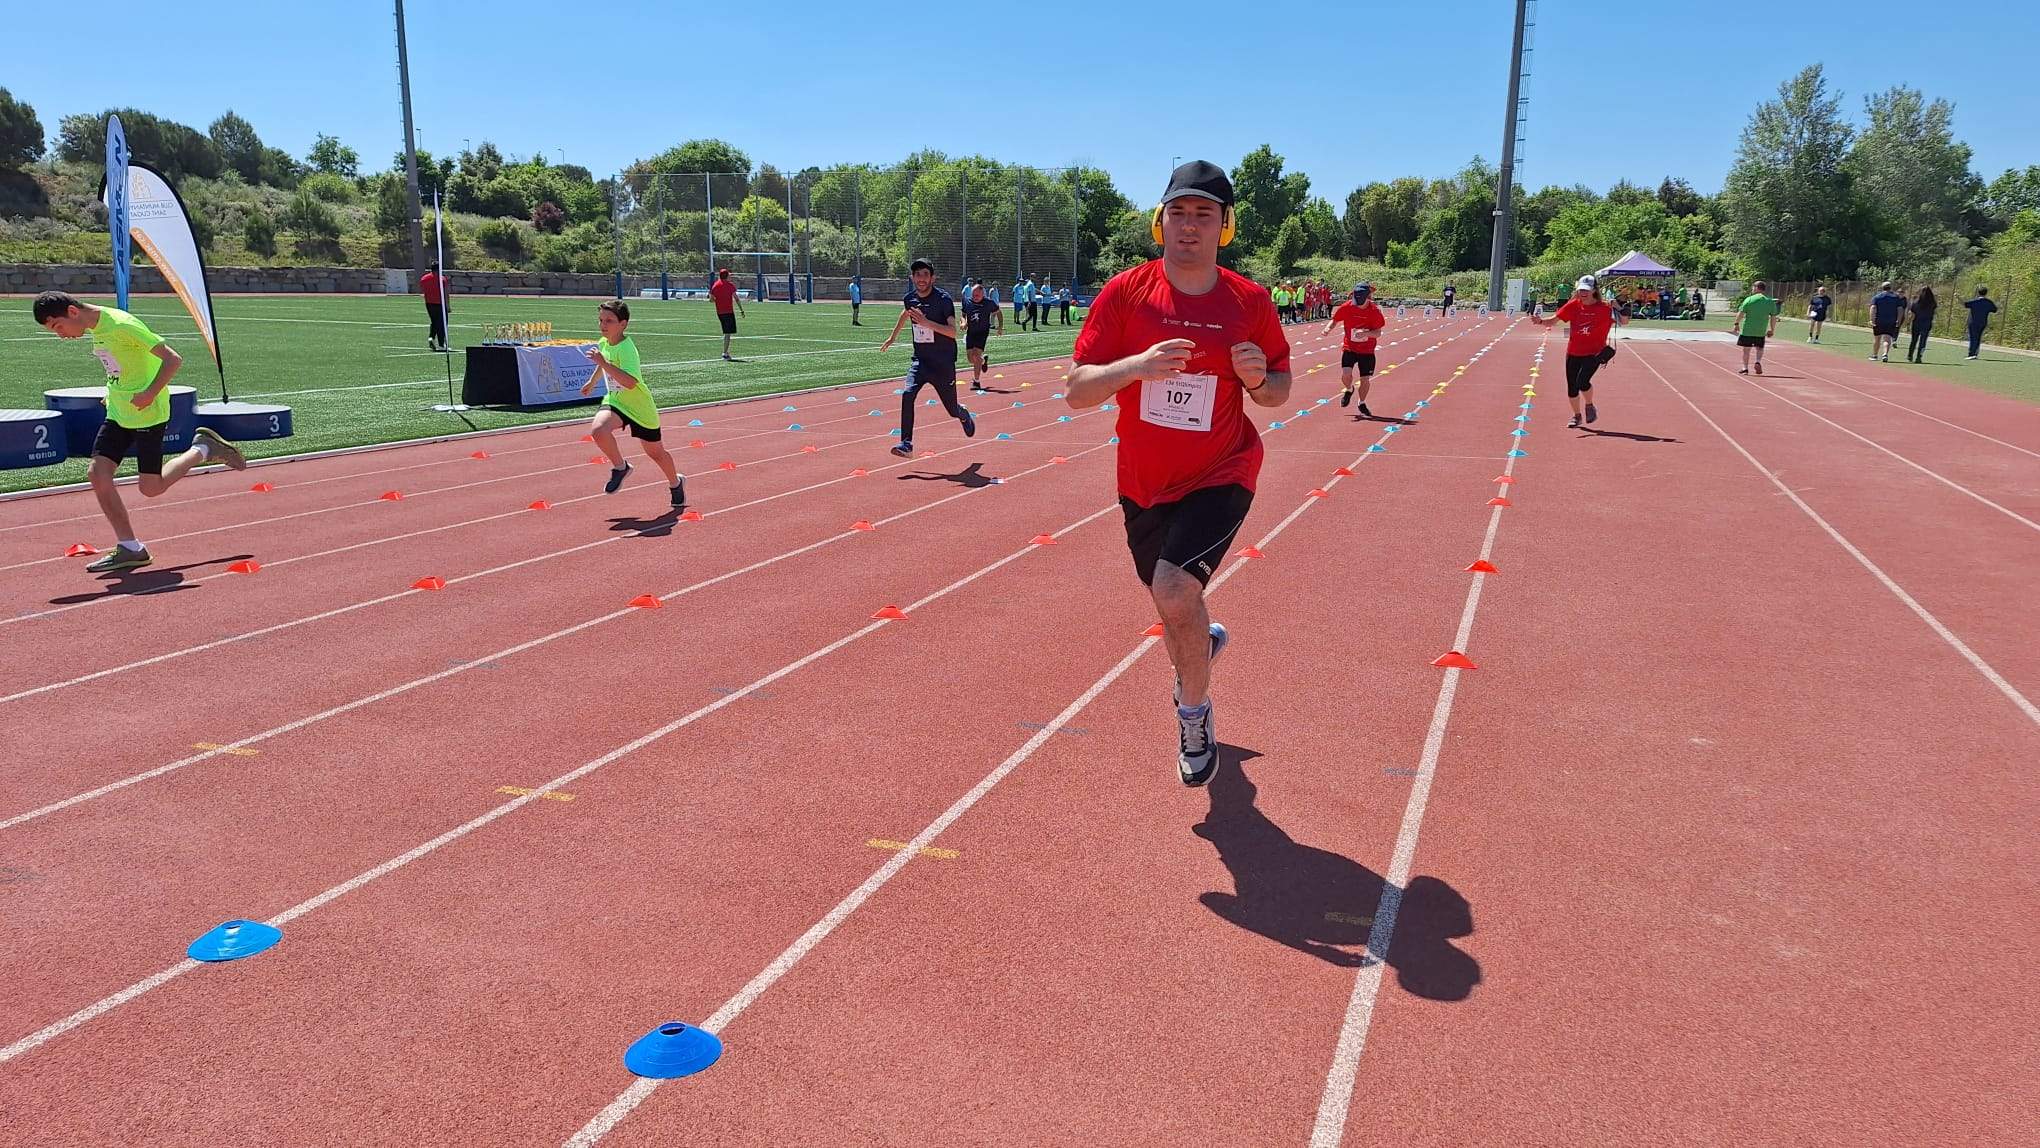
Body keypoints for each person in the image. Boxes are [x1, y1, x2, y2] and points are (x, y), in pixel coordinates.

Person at [1064, 160, 1291, 787]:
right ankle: (1201, 644)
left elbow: (1278, 390)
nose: (1190, 226)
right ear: (1159, 222)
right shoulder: (1127, 294)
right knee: (1173, 602)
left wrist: (1254, 379)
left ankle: (1194, 711)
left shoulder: (1250, 302)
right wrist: (1136, 366)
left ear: (1225, 228)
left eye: (1205, 215)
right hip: (1143, 481)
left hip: (1223, 470)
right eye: (1179, 213)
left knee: (1172, 589)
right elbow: (1077, 392)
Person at [32, 290, 247, 573]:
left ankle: (204, 448)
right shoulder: (96, 327)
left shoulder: (121, 324)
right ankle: (130, 548)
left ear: (72, 312)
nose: (60, 335)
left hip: (148, 413)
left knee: (151, 488)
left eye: (58, 327)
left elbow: (173, 359)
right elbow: (120, 365)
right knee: (97, 473)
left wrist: (148, 394)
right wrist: (114, 392)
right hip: (119, 412)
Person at [579, 300, 685, 509]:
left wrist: (602, 363)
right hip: (616, 402)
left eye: (609, 321)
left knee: (656, 453)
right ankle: (621, 467)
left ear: (623, 324)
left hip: (639, 407)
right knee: (599, 430)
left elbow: (629, 382)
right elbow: (605, 366)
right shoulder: (603, 343)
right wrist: (592, 382)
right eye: (601, 320)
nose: (603, 325)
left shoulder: (627, 349)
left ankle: (676, 483)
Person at [880, 258, 976, 457]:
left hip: (942, 363)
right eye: (917, 275)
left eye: (925, 274)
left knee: (951, 409)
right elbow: (906, 313)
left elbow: (952, 332)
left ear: (933, 278)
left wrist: (926, 322)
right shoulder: (910, 299)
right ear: (912, 278)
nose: (921, 279)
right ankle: (906, 443)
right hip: (920, 361)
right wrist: (893, 336)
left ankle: (962, 413)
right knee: (907, 394)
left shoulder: (943, 300)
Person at [1530, 274, 1621, 428]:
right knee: (1572, 387)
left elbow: (1624, 321)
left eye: (1586, 290)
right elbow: (1553, 320)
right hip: (1573, 352)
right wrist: (1540, 321)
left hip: (1594, 352)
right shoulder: (1573, 305)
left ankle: (1589, 405)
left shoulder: (1605, 308)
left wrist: (1619, 306)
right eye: (1580, 290)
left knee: (1582, 382)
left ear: (1593, 290)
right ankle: (1577, 416)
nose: (1583, 293)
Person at [1322, 281, 1386, 415]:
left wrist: (1366, 334)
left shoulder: (1374, 311)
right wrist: (1328, 329)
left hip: (1367, 350)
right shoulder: (1347, 307)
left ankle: (1361, 402)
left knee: (1365, 379)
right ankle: (1349, 389)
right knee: (1346, 374)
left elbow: (1378, 332)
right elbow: (1335, 320)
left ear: (1367, 298)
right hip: (1349, 347)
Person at [1730, 280, 1780, 376]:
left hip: (1747, 330)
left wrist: (1736, 323)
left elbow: (1741, 313)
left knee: (1746, 350)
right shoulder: (1769, 301)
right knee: (1759, 348)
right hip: (1761, 330)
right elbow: (1773, 317)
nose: (1752, 289)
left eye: (1753, 287)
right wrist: (1772, 329)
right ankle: (1758, 361)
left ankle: (1745, 368)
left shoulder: (1749, 299)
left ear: (1757, 288)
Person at [961, 281, 1004, 391]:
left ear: (982, 294)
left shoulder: (989, 303)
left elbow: (999, 313)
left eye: (978, 295)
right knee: (971, 359)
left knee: (976, 355)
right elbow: (963, 315)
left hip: (982, 333)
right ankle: (983, 361)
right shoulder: (967, 302)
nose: (975, 297)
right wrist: (963, 322)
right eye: (973, 295)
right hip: (971, 332)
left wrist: (1000, 327)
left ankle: (976, 381)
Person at [709, 268, 745, 360]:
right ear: (726, 276)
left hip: (720, 312)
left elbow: (711, 300)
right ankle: (725, 353)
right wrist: (741, 310)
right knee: (727, 333)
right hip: (728, 312)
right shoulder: (730, 286)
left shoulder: (715, 285)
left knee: (727, 332)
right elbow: (736, 298)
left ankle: (726, 351)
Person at [1868, 281, 1906, 363]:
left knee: (1877, 338)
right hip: (1891, 321)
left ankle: (1875, 355)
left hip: (1879, 321)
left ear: (1882, 288)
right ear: (1890, 288)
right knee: (1887, 338)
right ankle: (1885, 354)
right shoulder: (1896, 298)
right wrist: (1898, 320)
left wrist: (1872, 319)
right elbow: (1900, 310)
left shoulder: (1877, 297)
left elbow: (1873, 308)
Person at [1963, 286, 1998, 359]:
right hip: (1983, 322)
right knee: (1978, 338)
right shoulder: (1988, 302)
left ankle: (1972, 354)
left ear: (1978, 293)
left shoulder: (1975, 301)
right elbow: (1995, 310)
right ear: (1986, 293)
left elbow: (1965, 304)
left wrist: (1958, 298)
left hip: (1973, 322)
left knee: (1973, 338)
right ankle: (1975, 353)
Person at [420, 262, 448, 351]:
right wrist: (448, 305)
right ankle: (441, 344)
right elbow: (445, 293)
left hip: (429, 303)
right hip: (440, 304)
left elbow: (423, 289)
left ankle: (431, 337)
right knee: (442, 324)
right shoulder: (442, 279)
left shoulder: (424, 278)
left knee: (434, 322)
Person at [1905, 286, 1938, 363]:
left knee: (1914, 340)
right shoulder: (1932, 304)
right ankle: (1919, 356)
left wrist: (1908, 322)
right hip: (1927, 323)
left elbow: (1912, 315)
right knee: (1923, 341)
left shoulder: (1916, 303)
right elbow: (1934, 313)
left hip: (1916, 323)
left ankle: (1910, 355)